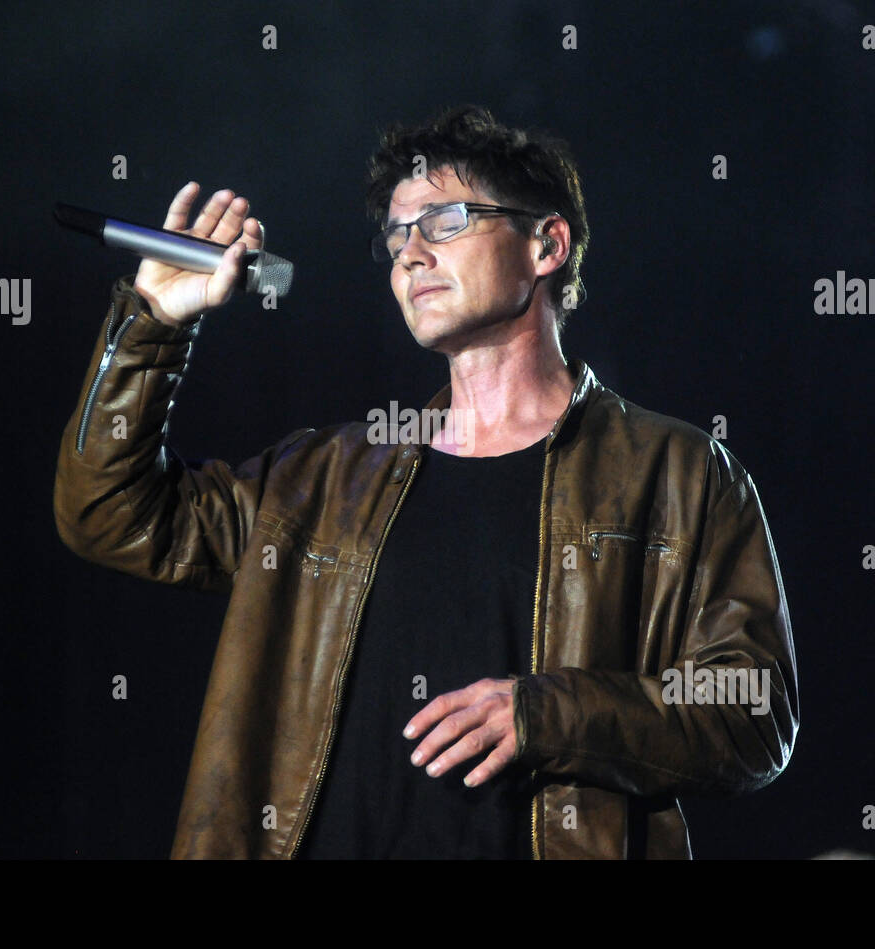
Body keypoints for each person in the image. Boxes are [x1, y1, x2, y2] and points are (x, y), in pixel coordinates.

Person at [53, 105, 799, 859]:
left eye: (444, 221)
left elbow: (753, 712)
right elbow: (109, 511)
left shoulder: (678, 473)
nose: (409, 254)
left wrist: (547, 716)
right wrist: (153, 321)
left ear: (547, 243)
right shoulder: (326, 477)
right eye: (396, 235)